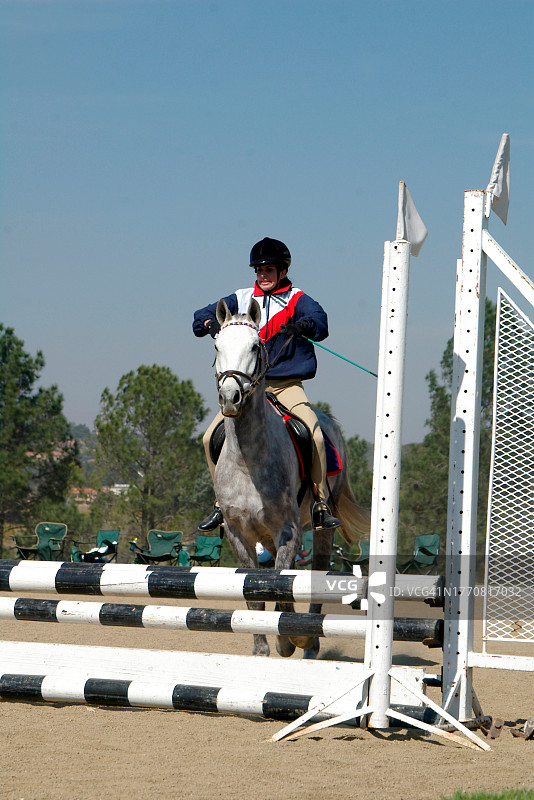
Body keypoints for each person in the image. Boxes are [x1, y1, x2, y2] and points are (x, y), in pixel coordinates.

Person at [192, 236, 341, 532]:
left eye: (269, 271)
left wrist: (303, 325)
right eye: (259, 271)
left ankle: (321, 503)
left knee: (315, 434)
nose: (263, 276)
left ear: (282, 272)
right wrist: (211, 325)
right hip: (249, 390)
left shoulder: (297, 298)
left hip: (286, 386)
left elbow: (320, 321)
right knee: (210, 438)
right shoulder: (242, 296)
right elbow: (201, 316)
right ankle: (221, 505)